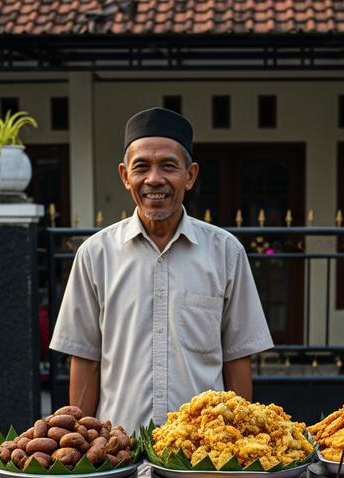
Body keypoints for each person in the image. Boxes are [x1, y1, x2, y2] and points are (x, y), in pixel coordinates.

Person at [49, 107, 273, 434]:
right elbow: (85, 359)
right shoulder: (95, 255)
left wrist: (238, 441)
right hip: (119, 450)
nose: (154, 179)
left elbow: (236, 357)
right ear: (125, 176)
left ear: (190, 175)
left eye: (168, 166)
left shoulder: (225, 253)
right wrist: (82, 446)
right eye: (142, 167)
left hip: (201, 454)